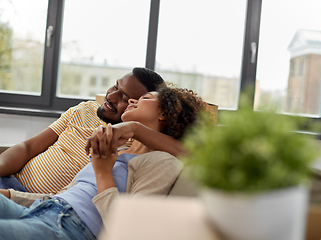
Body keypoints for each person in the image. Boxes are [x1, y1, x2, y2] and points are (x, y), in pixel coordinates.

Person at [0, 85, 205, 240]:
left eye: (145, 97)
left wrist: (103, 172)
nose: (132, 100)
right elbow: (65, 197)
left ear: (163, 114)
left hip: (69, 228)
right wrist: (10, 195)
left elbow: (128, 230)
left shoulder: (163, 163)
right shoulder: (118, 150)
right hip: (42, 209)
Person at [0, 67, 183, 194]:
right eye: (115, 86)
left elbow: (187, 152)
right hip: (8, 181)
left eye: (125, 97)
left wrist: (135, 129)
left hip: (43, 205)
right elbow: (28, 148)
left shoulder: (136, 143)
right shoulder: (85, 109)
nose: (110, 96)